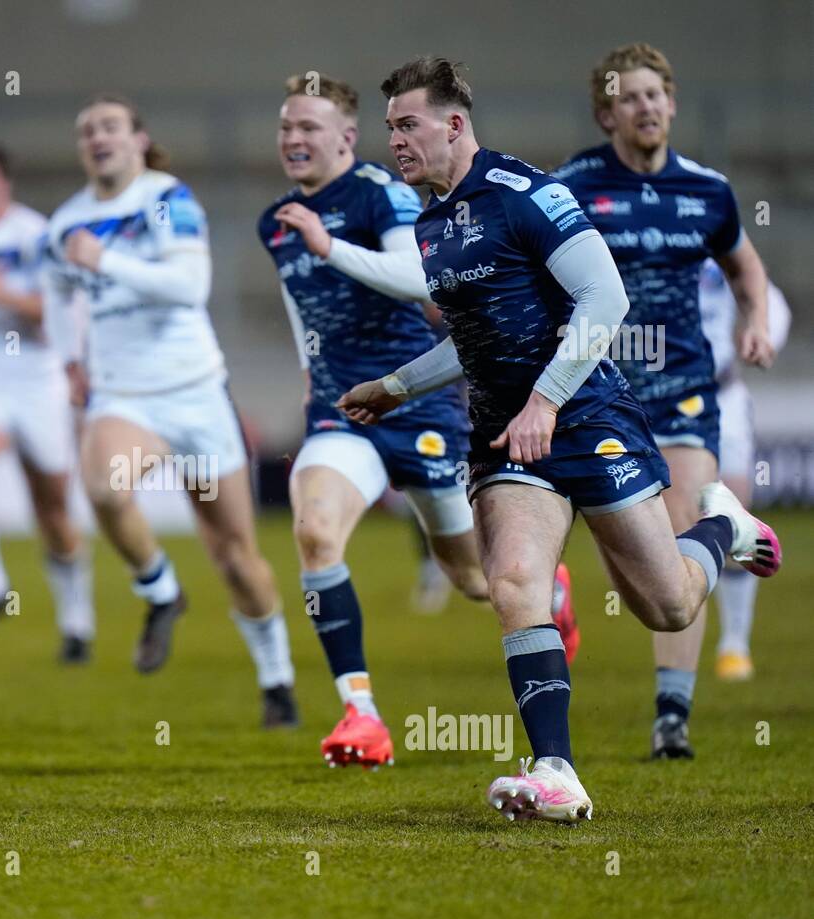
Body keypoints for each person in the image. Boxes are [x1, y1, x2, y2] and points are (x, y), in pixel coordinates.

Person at [339, 57, 782, 823]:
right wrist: (397, 386)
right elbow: (475, 343)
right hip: (506, 436)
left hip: (587, 416)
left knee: (667, 606)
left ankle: (724, 526)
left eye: (407, 125)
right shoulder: (430, 222)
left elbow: (603, 297)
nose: (396, 141)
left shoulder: (528, 193)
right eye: (390, 129)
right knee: (514, 580)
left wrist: (547, 400)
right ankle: (557, 770)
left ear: (454, 125)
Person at [260, 74, 577, 767]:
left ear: (346, 137)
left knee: (472, 578)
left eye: (309, 127)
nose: (293, 139)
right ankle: (361, 714)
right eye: (286, 127)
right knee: (315, 531)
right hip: (343, 406)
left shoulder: (383, 194)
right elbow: (299, 303)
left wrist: (330, 248)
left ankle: (552, 588)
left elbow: (416, 280)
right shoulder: (277, 219)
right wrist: (310, 362)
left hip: (417, 401)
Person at [44, 94, 298, 728]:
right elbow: (55, 289)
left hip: (196, 393)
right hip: (125, 395)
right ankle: (160, 590)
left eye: (110, 126)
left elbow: (191, 287)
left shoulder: (167, 199)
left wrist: (105, 260)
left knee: (236, 556)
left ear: (138, 139)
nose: (97, 137)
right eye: (87, 131)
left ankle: (277, 680)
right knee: (103, 489)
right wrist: (69, 358)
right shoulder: (66, 222)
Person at [554, 43, 777, 758]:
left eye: (657, 95)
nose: (646, 106)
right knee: (640, 571)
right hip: (602, 391)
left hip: (684, 388)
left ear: (672, 104)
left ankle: (671, 718)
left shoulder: (706, 190)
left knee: (677, 527)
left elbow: (744, 264)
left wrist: (757, 323)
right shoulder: (573, 188)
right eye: (631, 97)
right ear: (605, 113)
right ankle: (722, 535)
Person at [0, 138, 93, 662]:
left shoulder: (37, 235)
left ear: (3, 182)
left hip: (37, 383)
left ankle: (77, 622)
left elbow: (58, 322)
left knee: (52, 509)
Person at [699, 258, 791, 681]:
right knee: (668, 519)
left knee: (736, 515)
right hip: (659, 399)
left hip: (723, 394)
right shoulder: (646, 240)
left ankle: (734, 644)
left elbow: (770, 301)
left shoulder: (720, 250)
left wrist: (760, 331)